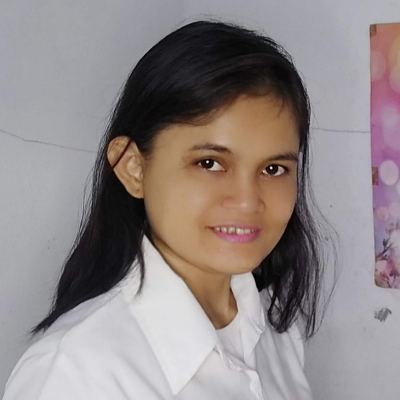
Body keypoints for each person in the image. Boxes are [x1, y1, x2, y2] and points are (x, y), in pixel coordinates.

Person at [3, 20, 333, 400]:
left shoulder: (277, 331)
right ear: (133, 168)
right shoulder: (75, 374)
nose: (247, 201)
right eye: (209, 163)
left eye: (273, 169)